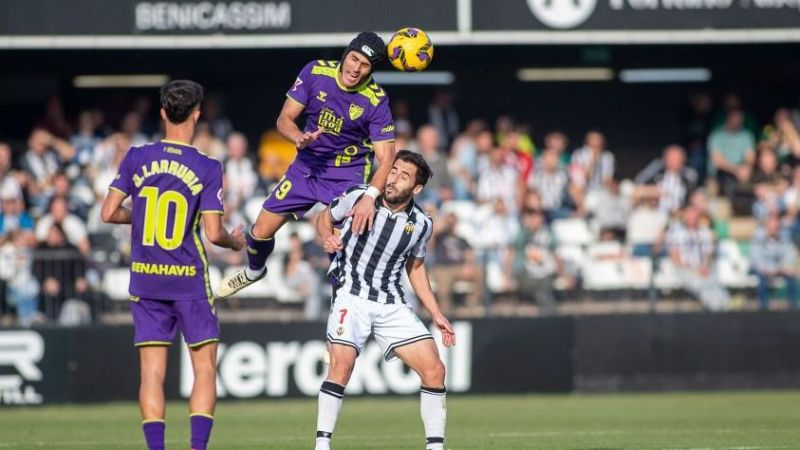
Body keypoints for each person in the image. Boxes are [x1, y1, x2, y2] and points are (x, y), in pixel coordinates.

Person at [101, 80, 245, 450]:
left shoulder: (136, 156)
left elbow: (108, 212)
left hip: (146, 280)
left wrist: (144, 213)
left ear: (163, 113)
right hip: (189, 280)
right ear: (197, 114)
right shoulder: (208, 166)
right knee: (204, 369)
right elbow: (213, 234)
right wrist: (236, 241)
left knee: (151, 373)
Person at [217, 32, 396, 298]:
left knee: (338, 246)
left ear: (372, 70)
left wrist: (370, 196)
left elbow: (387, 157)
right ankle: (255, 271)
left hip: (347, 176)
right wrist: (298, 137)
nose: (356, 68)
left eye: (365, 65)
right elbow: (284, 119)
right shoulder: (315, 72)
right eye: (354, 58)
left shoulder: (375, 99)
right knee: (259, 231)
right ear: (346, 53)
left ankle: (345, 306)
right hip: (306, 169)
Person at [314, 150, 455, 450]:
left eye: (403, 176)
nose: (393, 178)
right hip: (350, 295)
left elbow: (415, 267)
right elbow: (323, 218)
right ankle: (322, 445)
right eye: (393, 170)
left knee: (435, 369)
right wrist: (327, 236)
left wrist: (436, 313)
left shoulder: (421, 224)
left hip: (390, 302)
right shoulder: (360, 197)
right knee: (342, 366)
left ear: (416, 188)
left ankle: (435, 447)